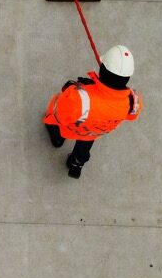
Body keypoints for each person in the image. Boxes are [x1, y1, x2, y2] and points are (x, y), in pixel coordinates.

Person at [43, 45, 142, 179]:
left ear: (102, 69)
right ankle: (76, 163)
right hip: (94, 131)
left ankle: (58, 139)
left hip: (73, 128)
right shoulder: (133, 100)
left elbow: (60, 113)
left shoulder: (78, 97)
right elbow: (131, 115)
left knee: (57, 125)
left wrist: (71, 88)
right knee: (84, 146)